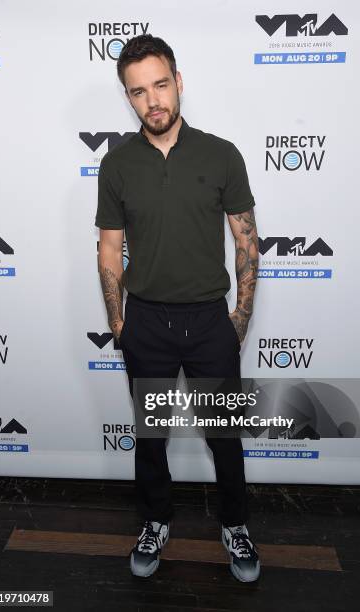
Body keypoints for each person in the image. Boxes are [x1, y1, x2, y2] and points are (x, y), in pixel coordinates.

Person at [95, 34, 260, 583]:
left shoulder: (221, 154)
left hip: (210, 321)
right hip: (147, 322)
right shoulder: (117, 164)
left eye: (160, 85)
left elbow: (245, 240)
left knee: (224, 435)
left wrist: (240, 316)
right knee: (151, 436)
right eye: (138, 93)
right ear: (129, 99)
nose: (152, 101)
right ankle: (155, 520)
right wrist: (119, 322)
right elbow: (109, 246)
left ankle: (235, 525)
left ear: (178, 82)